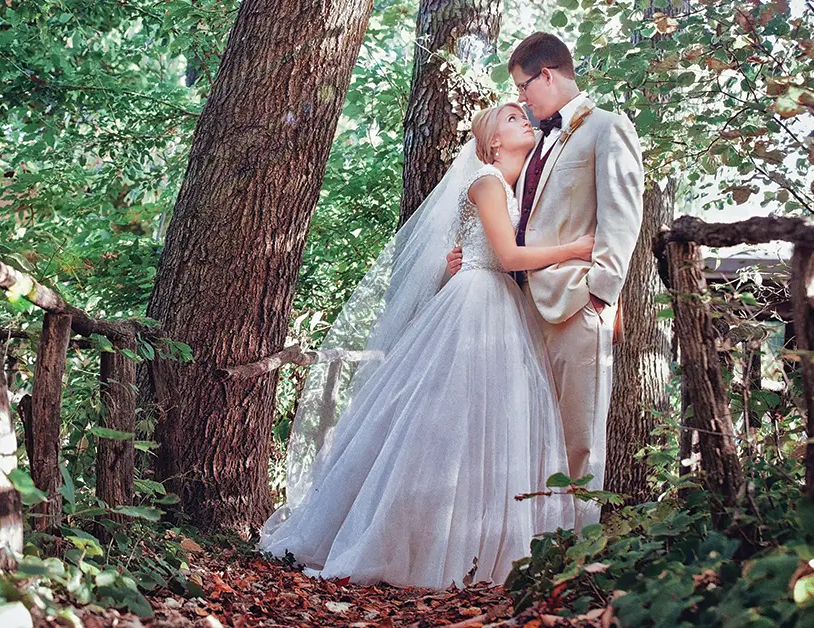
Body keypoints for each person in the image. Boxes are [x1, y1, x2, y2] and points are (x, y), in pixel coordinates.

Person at [258, 103, 589, 589]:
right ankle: (419, 544)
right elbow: (510, 255)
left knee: (493, 423)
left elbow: (489, 250)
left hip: (501, 304)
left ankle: (481, 545)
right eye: (512, 119)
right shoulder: (488, 182)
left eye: (525, 116)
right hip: (478, 304)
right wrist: (577, 249)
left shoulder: (512, 187)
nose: (524, 121)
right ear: (493, 141)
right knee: (449, 423)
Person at [447, 33, 645, 528]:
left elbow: (622, 217)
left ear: (548, 75)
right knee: (535, 433)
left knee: (580, 436)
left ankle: (578, 553)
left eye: (523, 87)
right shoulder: (537, 145)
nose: (522, 99)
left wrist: (601, 295)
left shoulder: (607, 128)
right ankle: (534, 544)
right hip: (524, 307)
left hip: (579, 303)